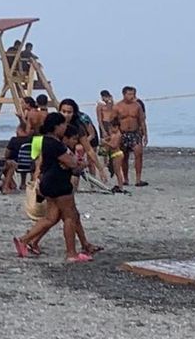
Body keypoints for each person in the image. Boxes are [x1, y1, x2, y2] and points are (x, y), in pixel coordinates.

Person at [13, 112, 98, 263]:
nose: (65, 127)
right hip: (59, 183)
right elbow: (71, 164)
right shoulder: (55, 144)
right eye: (63, 124)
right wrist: (80, 163)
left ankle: (24, 240)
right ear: (56, 126)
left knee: (51, 217)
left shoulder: (45, 141)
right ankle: (71, 253)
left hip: (48, 181)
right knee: (70, 217)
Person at [114, 86, 148, 186]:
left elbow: (142, 121)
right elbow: (112, 121)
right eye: (129, 94)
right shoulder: (118, 106)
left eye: (133, 94)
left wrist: (145, 134)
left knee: (138, 153)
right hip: (123, 133)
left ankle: (138, 179)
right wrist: (114, 134)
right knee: (124, 156)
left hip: (135, 133)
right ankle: (125, 179)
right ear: (124, 94)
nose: (132, 96)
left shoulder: (137, 106)